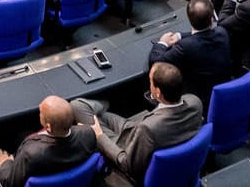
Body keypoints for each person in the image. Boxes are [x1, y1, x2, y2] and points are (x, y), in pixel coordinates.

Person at [74, 62, 206, 185]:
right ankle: (102, 106)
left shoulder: (148, 129)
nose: (149, 85)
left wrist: (100, 136)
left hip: (129, 147)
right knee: (100, 115)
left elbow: (127, 164)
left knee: (77, 106)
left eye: (150, 82)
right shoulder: (195, 102)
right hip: (137, 130)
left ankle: (103, 104)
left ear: (158, 92)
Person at [0, 96, 98, 187]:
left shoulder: (31, 154)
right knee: (22, 134)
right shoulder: (88, 134)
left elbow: (9, 183)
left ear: (48, 127)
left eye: (41, 112)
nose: (39, 109)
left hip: (19, 172)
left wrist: (5, 164)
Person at [150, 0, 234, 104]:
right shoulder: (222, 32)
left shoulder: (185, 47)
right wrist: (180, 36)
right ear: (212, 18)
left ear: (189, 19)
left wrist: (162, 43)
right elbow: (203, 35)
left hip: (199, 100)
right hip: (224, 92)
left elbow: (156, 63)